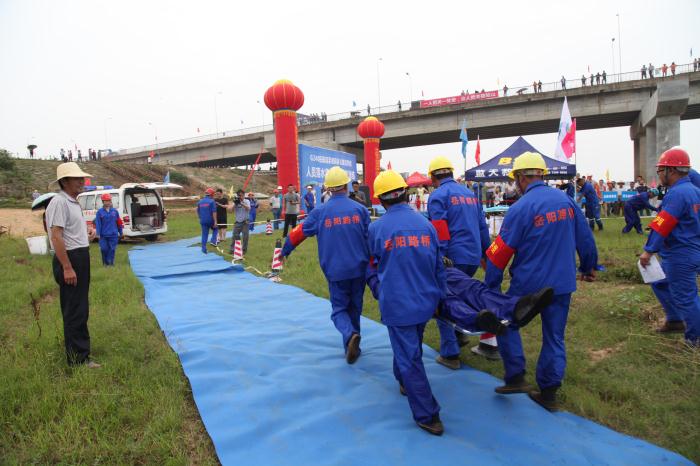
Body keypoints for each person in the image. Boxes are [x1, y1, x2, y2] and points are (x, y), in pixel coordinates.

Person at [485, 152, 597, 411]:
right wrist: (588, 267)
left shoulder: (520, 209)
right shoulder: (566, 201)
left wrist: (491, 286)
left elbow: (500, 253)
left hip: (529, 284)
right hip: (562, 283)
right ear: (541, 175)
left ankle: (516, 376)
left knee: (505, 321)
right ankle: (548, 393)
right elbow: (585, 239)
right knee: (554, 336)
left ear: (521, 177)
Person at [367, 170, 445, 435]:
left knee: (409, 357)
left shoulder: (376, 229)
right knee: (410, 348)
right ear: (406, 193)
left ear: (380, 199)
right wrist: (440, 297)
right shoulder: (426, 225)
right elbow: (438, 266)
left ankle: (428, 415)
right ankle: (403, 380)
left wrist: (377, 287)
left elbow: (370, 264)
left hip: (397, 304)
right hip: (425, 301)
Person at [282, 167, 370, 363]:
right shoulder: (361, 210)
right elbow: (370, 239)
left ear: (328, 188)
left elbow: (298, 233)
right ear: (347, 185)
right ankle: (353, 346)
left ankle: (349, 336)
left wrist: (284, 251)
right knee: (355, 308)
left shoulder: (320, 212)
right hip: (359, 269)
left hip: (335, 270)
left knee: (339, 310)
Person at [427, 156, 490, 369]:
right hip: (473, 256)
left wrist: (441, 257)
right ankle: (460, 335)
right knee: (459, 295)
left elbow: (440, 230)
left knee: (443, 301)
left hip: (453, 258)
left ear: (433, 177)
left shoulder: (438, 196)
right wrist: (486, 255)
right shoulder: (470, 194)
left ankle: (450, 353)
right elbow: (482, 227)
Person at [641, 147, 700, 345]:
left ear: (671, 170)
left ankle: (694, 340)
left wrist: (649, 251)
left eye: (660, 170)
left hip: (680, 254)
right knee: (659, 282)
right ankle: (675, 320)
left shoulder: (677, 194)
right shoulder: (695, 191)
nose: (659, 174)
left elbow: (662, 224)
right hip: (690, 250)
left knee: (686, 298)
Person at [45, 162, 100, 368]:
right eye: (77, 178)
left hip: (79, 256)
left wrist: (87, 234)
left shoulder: (73, 202)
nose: (81, 181)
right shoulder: (59, 202)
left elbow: (69, 231)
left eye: (81, 178)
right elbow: (56, 236)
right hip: (70, 259)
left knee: (80, 307)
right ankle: (78, 360)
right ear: (65, 181)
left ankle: (80, 352)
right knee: (75, 309)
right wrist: (67, 267)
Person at [94, 193, 123, 266]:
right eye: (106, 201)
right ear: (103, 201)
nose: (108, 202)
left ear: (111, 201)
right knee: (104, 249)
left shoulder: (115, 211)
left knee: (112, 249)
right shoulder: (99, 212)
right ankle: (105, 263)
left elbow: (119, 222)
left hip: (113, 235)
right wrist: (98, 233)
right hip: (103, 235)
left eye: (109, 200)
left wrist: (121, 232)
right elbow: (98, 223)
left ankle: (110, 263)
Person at [196, 188, 218, 253]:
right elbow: (214, 212)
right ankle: (213, 241)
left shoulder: (200, 201)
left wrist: (199, 218)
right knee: (216, 228)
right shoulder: (212, 201)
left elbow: (197, 210)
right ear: (211, 194)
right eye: (213, 195)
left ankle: (203, 248)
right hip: (210, 220)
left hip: (203, 220)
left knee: (204, 234)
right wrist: (215, 222)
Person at [230, 189, 251, 254]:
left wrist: (241, 203)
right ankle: (232, 249)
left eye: (241, 195)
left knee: (245, 237)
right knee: (234, 236)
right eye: (239, 195)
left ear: (244, 195)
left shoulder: (247, 201)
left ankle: (244, 250)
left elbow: (248, 208)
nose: (240, 197)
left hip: (245, 222)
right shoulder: (236, 201)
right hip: (237, 222)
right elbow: (230, 211)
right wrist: (235, 204)